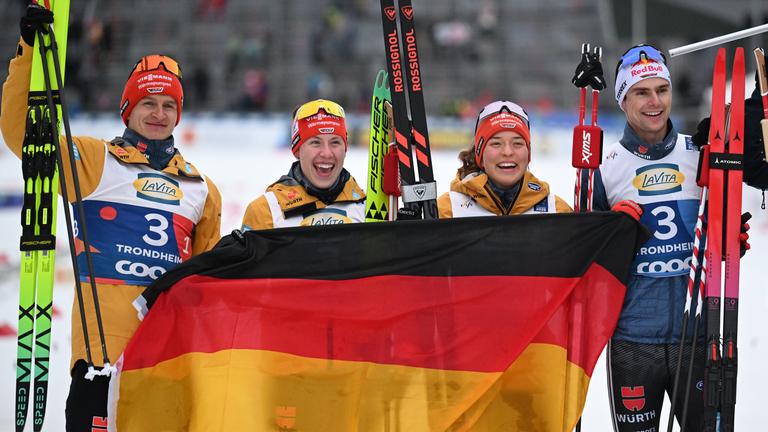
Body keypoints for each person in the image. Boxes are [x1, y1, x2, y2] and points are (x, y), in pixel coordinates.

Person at [0, 5, 222, 430]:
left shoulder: (201, 189)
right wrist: (30, 51)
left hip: (169, 365)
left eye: (168, 106)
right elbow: (23, 135)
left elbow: (207, 287)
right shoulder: (95, 160)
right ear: (127, 108)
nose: (158, 114)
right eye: (147, 104)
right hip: (102, 365)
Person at [574, 43, 764, 432]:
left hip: (697, 337)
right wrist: (608, 232)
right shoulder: (605, 170)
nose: (654, 101)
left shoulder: (700, 152)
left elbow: (721, 230)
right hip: (632, 341)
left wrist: (727, 243)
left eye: (662, 89)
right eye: (641, 92)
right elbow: (586, 260)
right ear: (624, 99)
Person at [241, 99, 365, 229]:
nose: (327, 153)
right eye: (315, 143)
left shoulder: (368, 207)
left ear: (345, 149)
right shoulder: (266, 210)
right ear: (297, 150)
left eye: (335, 142)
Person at [438, 100, 572, 217]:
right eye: (496, 143)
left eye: (517, 143)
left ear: (528, 154)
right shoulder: (447, 210)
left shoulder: (557, 210)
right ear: (480, 156)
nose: (508, 152)